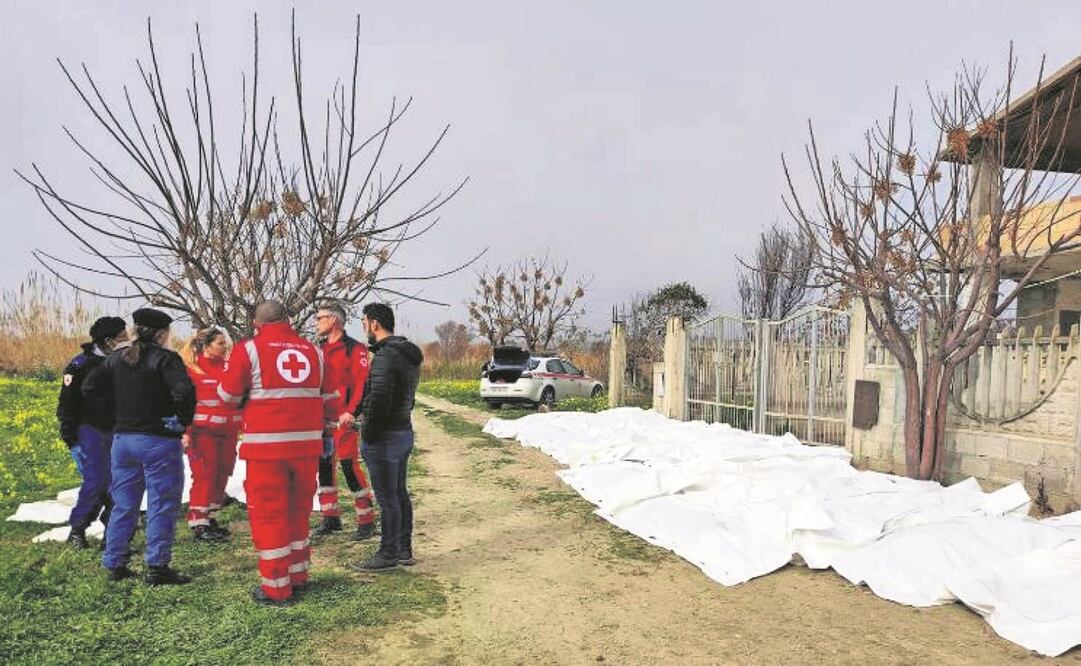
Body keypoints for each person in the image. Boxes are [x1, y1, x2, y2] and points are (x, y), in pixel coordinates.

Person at [217, 300, 334, 605]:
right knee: (298, 511)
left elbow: (227, 396)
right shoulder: (314, 351)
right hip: (307, 448)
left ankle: (276, 587)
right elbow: (330, 398)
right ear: (289, 319)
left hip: (266, 451)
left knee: (269, 517)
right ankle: (298, 574)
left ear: (257, 325)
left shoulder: (249, 349)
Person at [82, 308, 195, 585]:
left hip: (123, 442)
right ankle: (157, 566)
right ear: (161, 334)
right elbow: (183, 391)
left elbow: (88, 388)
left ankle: (114, 563)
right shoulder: (166, 359)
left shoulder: (116, 359)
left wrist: (113, 416)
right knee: (161, 503)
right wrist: (181, 421)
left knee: (124, 504)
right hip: (158, 440)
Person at [351, 302, 423, 572]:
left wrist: (367, 433)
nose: (365, 329)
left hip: (385, 437)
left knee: (387, 498)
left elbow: (379, 400)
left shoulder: (385, 357)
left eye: (364, 323)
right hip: (403, 431)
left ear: (374, 324)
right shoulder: (407, 354)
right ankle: (403, 549)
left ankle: (388, 553)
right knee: (399, 493)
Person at [56, 316, 129, 549]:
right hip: (90, 430)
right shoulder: (80, 365)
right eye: (122, 337)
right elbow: (67, 403)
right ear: (108, 341)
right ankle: (78, 528)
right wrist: (70, 436)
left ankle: (113, 531)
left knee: (120, 484)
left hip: (119, 431)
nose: (127, 340)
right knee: (97, 483)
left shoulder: (124, 362)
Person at [311, 303, 376, 540]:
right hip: (322, 423)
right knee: (324, 470)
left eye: (320, 318)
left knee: (349, 466)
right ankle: (330, 519)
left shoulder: (354, 349)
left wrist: (351, 412)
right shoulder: (318, 350)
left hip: (344, 422)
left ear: (334, 320)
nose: (316, 322)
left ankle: (366, 520)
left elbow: (361, 383)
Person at [180, 326, 241, 542]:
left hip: (229, 434)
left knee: (222, 473)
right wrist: (185, 433)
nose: (225, 347)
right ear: (206, 346)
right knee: (205, 475)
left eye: (225, 343)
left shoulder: (230, 368)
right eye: (220, 343)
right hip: (202, 435)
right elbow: (183, 405)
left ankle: (211, 516)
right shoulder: (192, 371)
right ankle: (198, 521)